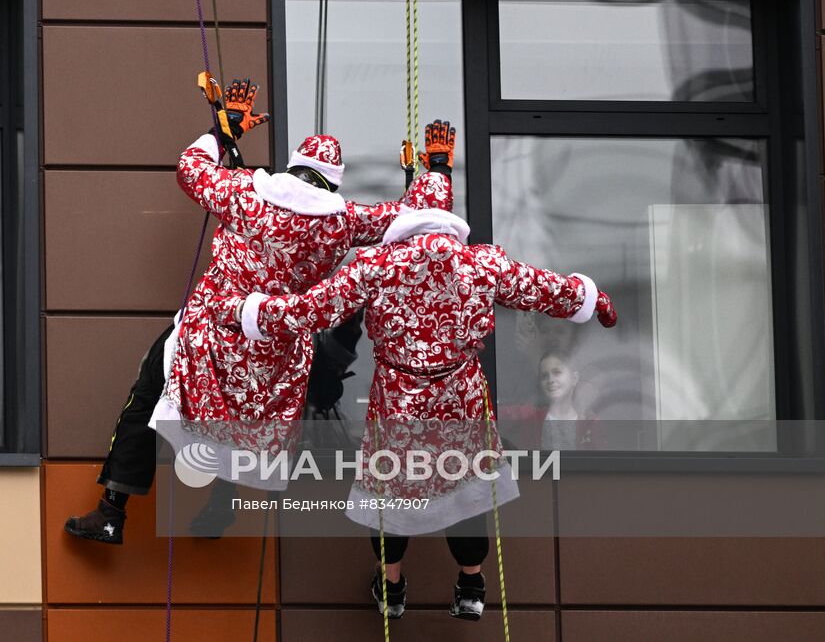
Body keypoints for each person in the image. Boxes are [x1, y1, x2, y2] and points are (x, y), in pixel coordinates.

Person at [213, 122, 618, 621]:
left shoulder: (377, 266)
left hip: (398, 402)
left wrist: (248, 312)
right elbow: (545, 288)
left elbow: (311, 311)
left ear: (406, 218)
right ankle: (470, 586)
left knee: (389, 495)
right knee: (465, 490)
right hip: (459, 401)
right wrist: (592, 299)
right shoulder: (480, 264)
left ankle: (393, 587)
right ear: (446, 220)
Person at [64, 75, 451, 545]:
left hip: (211, 329)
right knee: (241, 423)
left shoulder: (246, 192)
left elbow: (190, 169)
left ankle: (112, 511)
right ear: (332, 180)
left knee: (146, 397)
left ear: (293, 168)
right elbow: (419, 221)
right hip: (276, 346)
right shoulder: (345, 221)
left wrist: (224, 132)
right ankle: (221, 509)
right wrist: (434, 171)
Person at [500, 348, 602, 450]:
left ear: (574, 378)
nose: (551, 380)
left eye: (557, 372)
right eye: (544, 376)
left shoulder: (590, 424)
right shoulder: (531, 418)